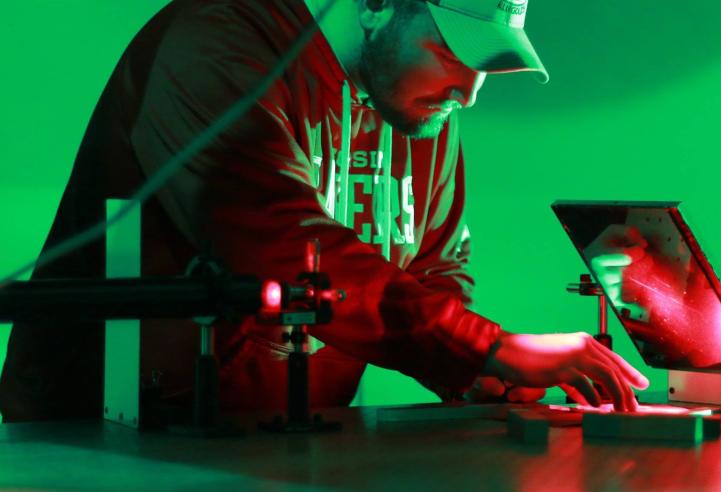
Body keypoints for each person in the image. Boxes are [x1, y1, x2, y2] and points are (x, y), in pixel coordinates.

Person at [0, 0, 648, 422]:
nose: (469, 92)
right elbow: (275, 238)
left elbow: (435, 271)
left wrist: (487, 377)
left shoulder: (415, 103)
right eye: (452, 53)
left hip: (278, 447)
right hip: (102, 447)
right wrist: (488, 348)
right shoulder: (216, 41)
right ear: (374, 7)